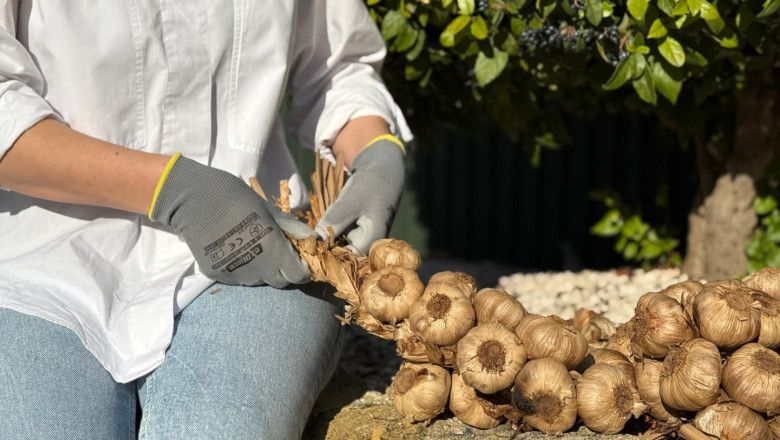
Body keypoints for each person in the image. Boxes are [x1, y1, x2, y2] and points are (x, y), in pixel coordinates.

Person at [0, 1, 410, 439]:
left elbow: (336, 66)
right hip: (39, 265)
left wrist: (376, 152)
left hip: (259, 253)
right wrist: (172, 188)